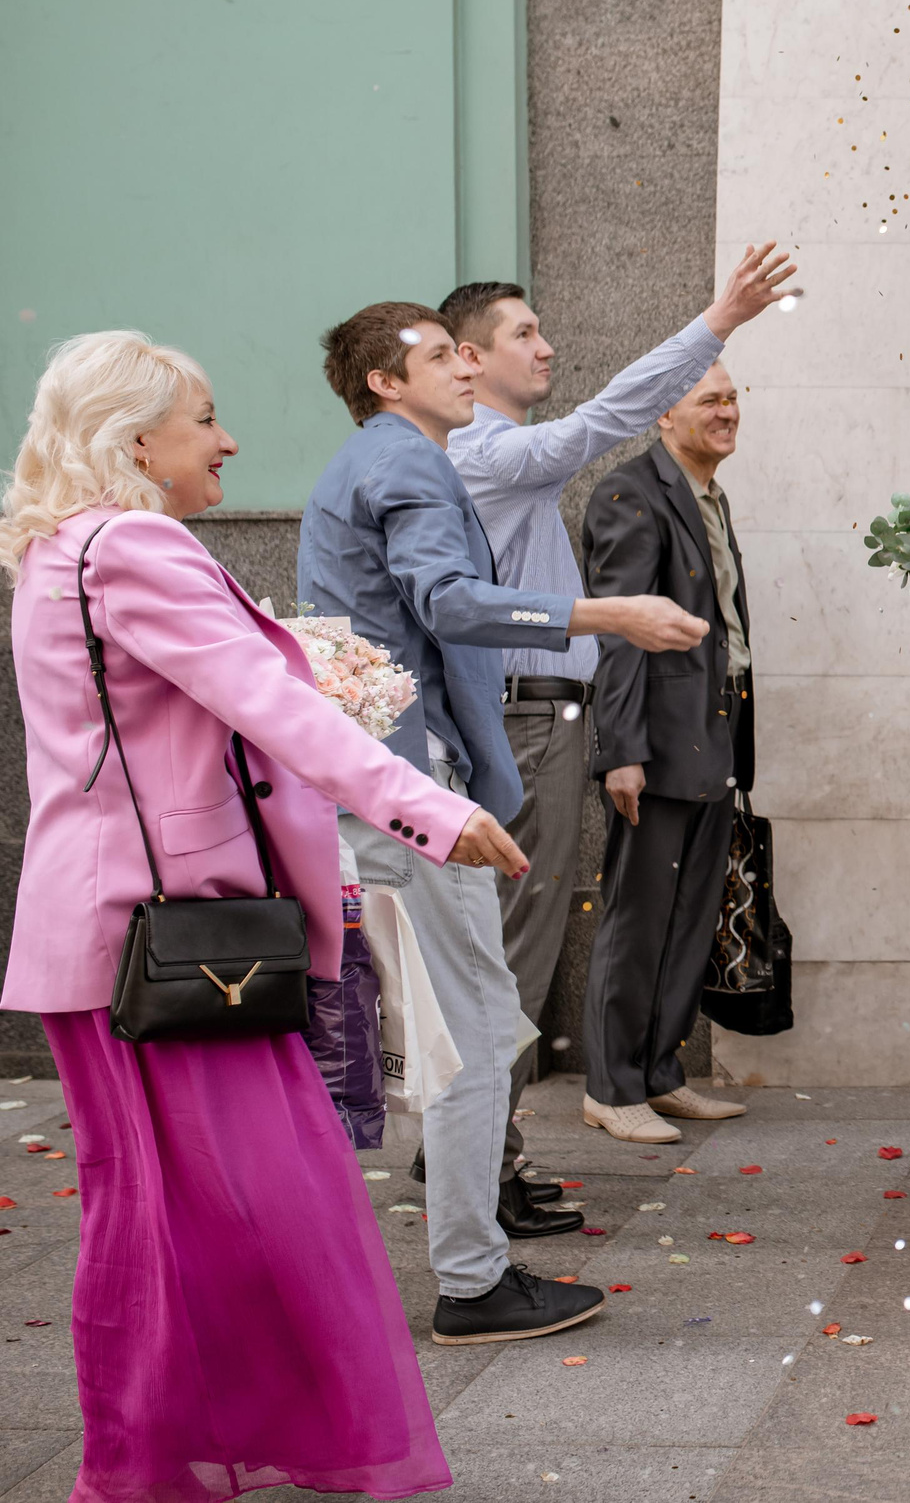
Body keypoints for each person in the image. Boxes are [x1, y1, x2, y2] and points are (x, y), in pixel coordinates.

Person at [0, 331, 529, 1498]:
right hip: (176, 937)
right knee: (258, 1214)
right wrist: (425, 807)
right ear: (137, 441)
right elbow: (267, 707)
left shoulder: (57, 551)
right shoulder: (133, 544)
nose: (229, 439)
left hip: (114, 935)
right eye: (205, 418)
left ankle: (187, 1446)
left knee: (171, 1212)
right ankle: (158, 1460)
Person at [299, 303, 708, 1344]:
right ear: (385, 382)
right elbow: (448, 601)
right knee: (476, 1029)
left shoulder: (375, 461)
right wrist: (609, 615)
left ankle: (370, 1261)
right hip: (411, 788)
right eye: (441, 354)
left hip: (383, 782)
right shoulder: (408, 466)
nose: (465, 364)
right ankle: (475, 1282)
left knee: (420, 1029)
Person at [439, 245, 794, 1178]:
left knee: (529, 939)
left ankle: (496, 1150)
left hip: (553, 715)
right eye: (526, 332)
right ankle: (489, 1150)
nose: (546, 347)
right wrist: (716, 320)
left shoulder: (508, 463)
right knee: (522, 947)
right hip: (527, 718)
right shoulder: (494, 450)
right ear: (467, 359)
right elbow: (606, 423)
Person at [580, 364, 757, 1142]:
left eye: (731, 397)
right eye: (709, 400)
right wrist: (621, 750)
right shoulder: (631, 494)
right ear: (662, 416)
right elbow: (619, 632)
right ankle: (610, 1086)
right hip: (655, 745)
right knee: (639, 918)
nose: (727, 411)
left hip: (714, 736)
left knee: (689, 918)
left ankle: (659, 1073)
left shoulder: (709, 496)